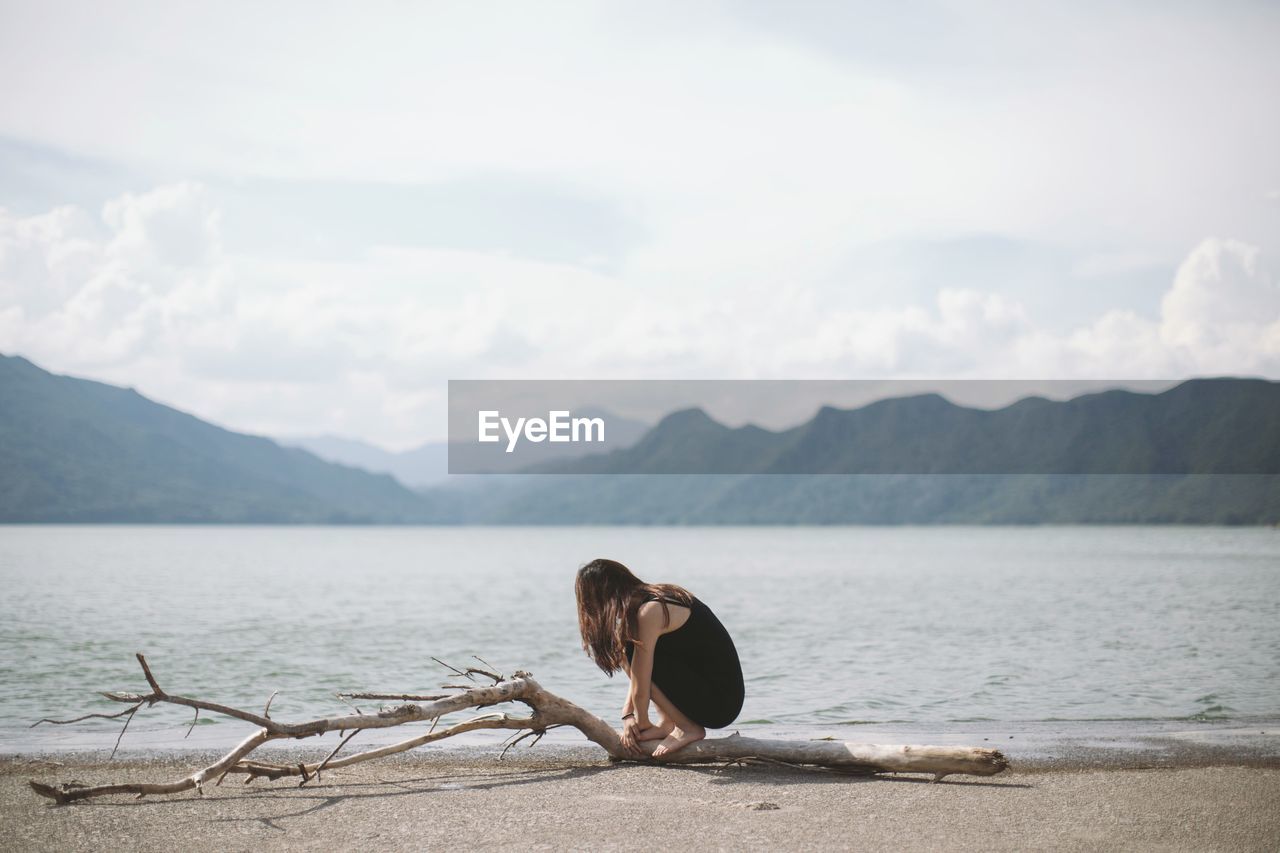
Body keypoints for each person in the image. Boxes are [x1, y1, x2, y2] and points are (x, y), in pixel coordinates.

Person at [575, 557, 744, 758]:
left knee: (630, 651)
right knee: (628, 648)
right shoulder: (651, 601)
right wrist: (628, 714)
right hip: (713, 692)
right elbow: (638, 671)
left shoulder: (651, 611)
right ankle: (667, 723)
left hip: (720, 701)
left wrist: (641, 722)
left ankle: (686, 728)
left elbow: (642, 677)